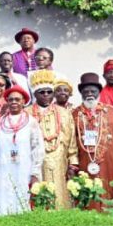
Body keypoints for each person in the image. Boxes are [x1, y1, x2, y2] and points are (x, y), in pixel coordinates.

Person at [26, 70, 78, 210]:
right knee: (38, 199)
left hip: (60, 164)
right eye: (41, 92)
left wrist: (73, 164)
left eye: (49, 92)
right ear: (35, 94)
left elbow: (72, 141)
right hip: (36, 164)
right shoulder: (27, 113)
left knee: (61, 200)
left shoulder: (64, 113)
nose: (46, 95)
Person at [0, 86, 44, 216]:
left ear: (23, 102)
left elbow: (37, 148)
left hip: (24, 168)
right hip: (4, 168)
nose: (14, 102)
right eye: (11, 99)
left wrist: (35, 172)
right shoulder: (1, 121)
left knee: (22, 199)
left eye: (17, 99)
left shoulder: (31, 122)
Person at [73, 73, 113, 210]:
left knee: (110, 192)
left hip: (109, 163)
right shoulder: (74, 114)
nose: (90, 94)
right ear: (81, 93)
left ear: (99, 92)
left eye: (93, 91)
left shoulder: (112, 112)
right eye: (86, 91)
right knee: (87, 195)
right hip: (84, 162)